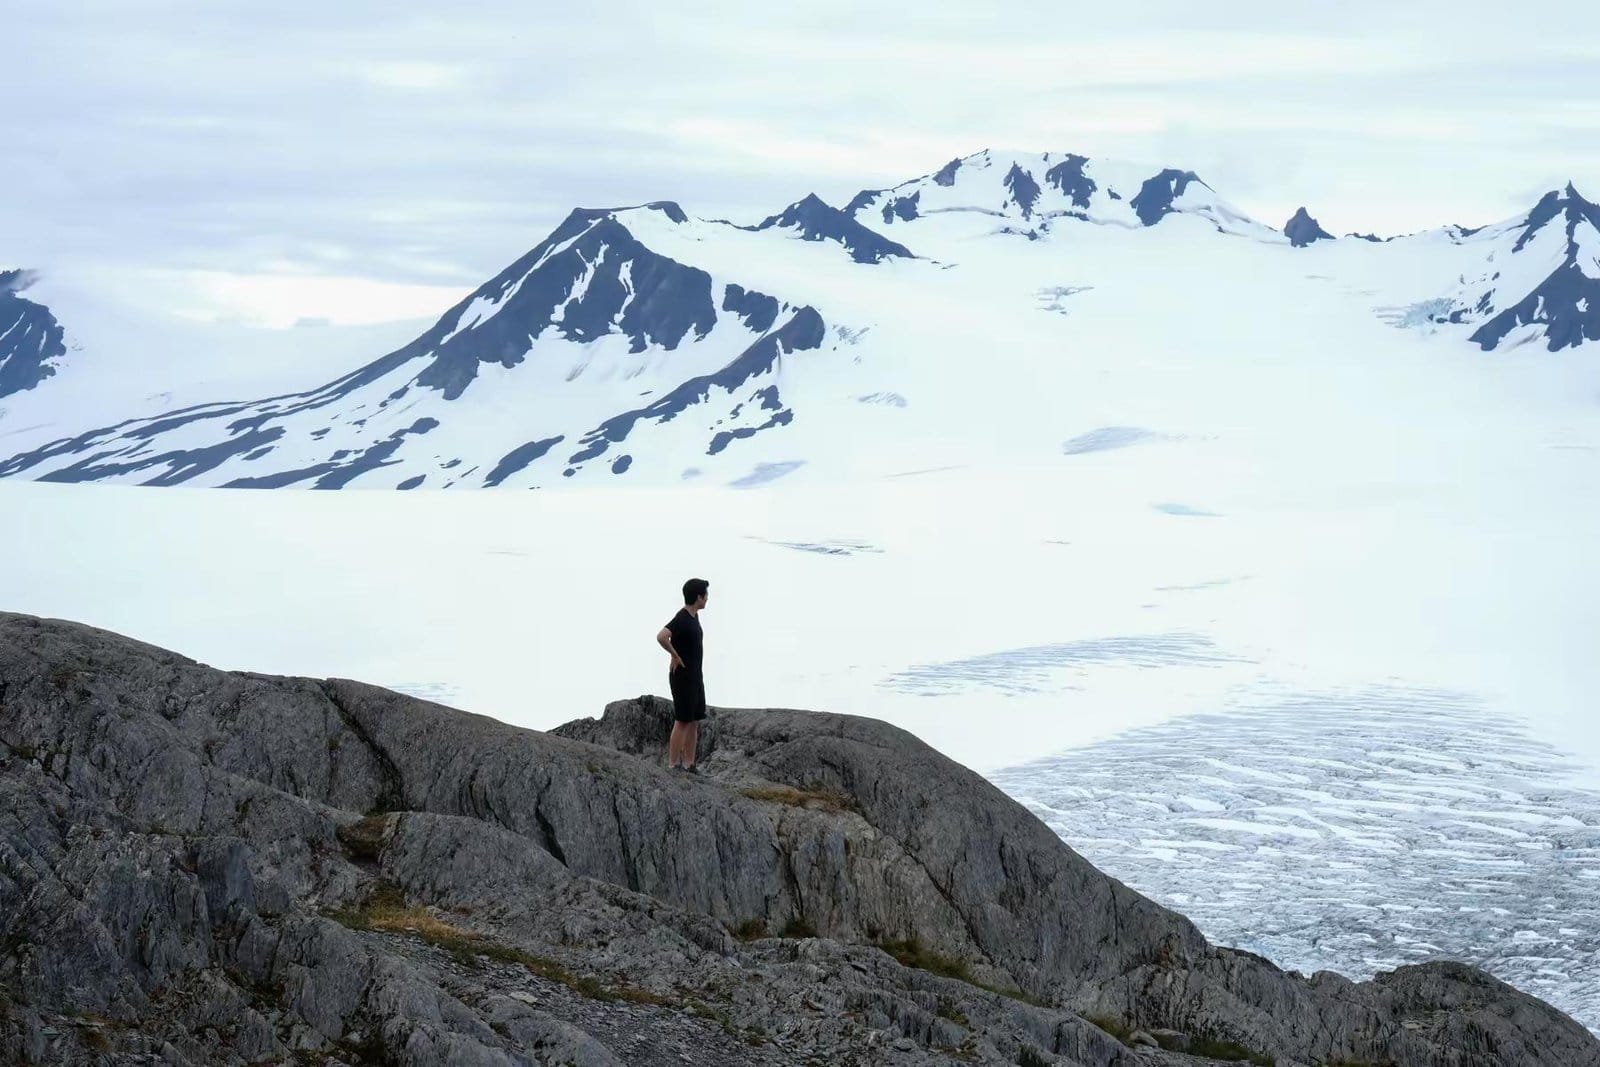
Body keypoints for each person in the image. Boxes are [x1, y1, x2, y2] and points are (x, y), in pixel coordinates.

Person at [657, 578, 709, 772]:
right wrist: (674, 655)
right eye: (705, 595)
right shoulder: (682, 617)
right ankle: (673, 764)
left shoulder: (694, 616)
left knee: (694, 719)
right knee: (682, 720)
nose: (707, 599)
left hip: (695, 675)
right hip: (683, 677)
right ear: (698, 597)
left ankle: (689, 763)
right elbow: (661, 636)